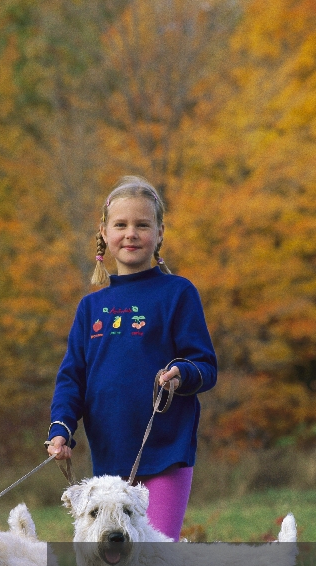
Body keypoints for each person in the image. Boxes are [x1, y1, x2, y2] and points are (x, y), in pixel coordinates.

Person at [46, 175, 217, 541]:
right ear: (104, 233)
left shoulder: (178, 293)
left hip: (166, 451)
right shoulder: (91, 306)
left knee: (155, 560)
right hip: (109, 460)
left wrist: (180, 373)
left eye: (142, 225)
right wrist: (61, 427)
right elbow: (71, 378)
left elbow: (205, 365)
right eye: (120, 225)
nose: (131, 234)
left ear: (159, 233)